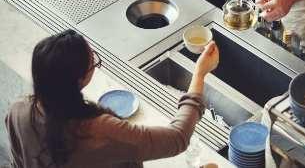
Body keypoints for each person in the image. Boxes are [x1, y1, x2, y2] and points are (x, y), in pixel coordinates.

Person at [5, 29, 219, 168]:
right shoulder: (99, 131)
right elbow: (177, 138)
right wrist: (199, 74)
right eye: (93, 62)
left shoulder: (18, 111)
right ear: (79, 79)